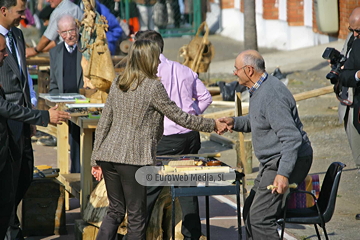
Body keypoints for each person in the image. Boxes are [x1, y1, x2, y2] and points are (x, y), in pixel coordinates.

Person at [90, 39, 226, 240]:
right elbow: (180, 117)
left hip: (108, 156)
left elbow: (104, 124)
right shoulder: (153, 87)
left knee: (115, 211)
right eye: (155, 58)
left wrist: (95, 159)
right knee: (137, 218)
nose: (157, 63)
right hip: (132, 159)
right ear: (148, 59)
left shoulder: (119, 82)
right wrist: (212, 125)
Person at [218, 50, 313, 239]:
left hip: (286, 159)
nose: (234, 73)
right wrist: (234, 122)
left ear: (249, 70)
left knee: (260, 218)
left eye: (236, 69)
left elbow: (292, 138)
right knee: (250, 213)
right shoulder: (258, 89)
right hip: (274, 160)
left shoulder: (272, 95)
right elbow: (259, 120)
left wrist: (283, 174)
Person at [135, 30, 212, 239]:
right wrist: (191, 115)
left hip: (166, 139)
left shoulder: (149, 72)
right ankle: (192, 235)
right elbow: (205, 98)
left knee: (149, 187)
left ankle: (137, 234)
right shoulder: (183, 69)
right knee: (187, 189)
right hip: (189, 136)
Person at [0, 32, 70, 239]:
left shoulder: (16, 37)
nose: (6, 55)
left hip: (9, 142)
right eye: (2, 51)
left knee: (12, 192)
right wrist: (43, 116)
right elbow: (5, 108)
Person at [49, 14, 83, 173]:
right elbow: (54, 82)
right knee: (72, 142)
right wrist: (56, 101)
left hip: (84, 103)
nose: (69, 35)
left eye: (71, 30)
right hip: (65, 105)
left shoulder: (86, 48)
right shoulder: (55, 52)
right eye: (64, 32)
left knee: (85, 140)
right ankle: (75, 174)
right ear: (58, 33)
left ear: (77, 28)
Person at [338, 7, 360, 221]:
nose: (354, 34)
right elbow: (346, 73)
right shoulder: (353, 40)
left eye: (357, 31)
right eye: (351, 30)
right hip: (350, 106)